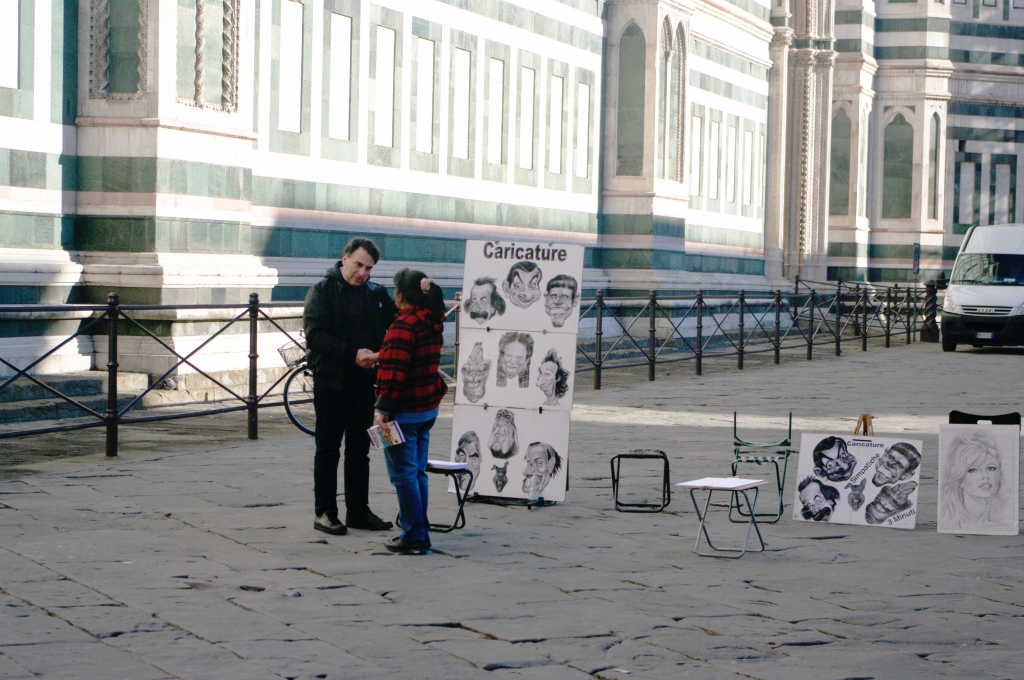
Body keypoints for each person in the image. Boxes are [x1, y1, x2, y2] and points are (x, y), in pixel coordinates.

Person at [304, 237, 396, 536]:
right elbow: (315, 335)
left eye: (369, 268)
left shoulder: (376, 293)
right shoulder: (322, 291)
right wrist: (351, 354)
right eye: (358, 265)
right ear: (344, 259)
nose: (363, 273)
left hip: (365, 383)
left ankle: (358, 510)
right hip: (331, 381)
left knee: (361, 449)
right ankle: (325, 512)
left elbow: (397, 321)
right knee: (328, 448)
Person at [374, 270, 449, 555]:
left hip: (401, 413)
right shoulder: (431, 321)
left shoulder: (403, 325)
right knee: (417, 472)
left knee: (402, 474)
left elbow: (395, 372)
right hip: (426, 409)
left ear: (401, 295)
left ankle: (414, 534)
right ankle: (419, 527)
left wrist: (382, 410)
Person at [939, 431, 1014, 532]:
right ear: (960, 478)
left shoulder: (1004, 527)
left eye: (991, 468)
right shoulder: (948, 525)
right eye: (973, 470)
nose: (985, 476)